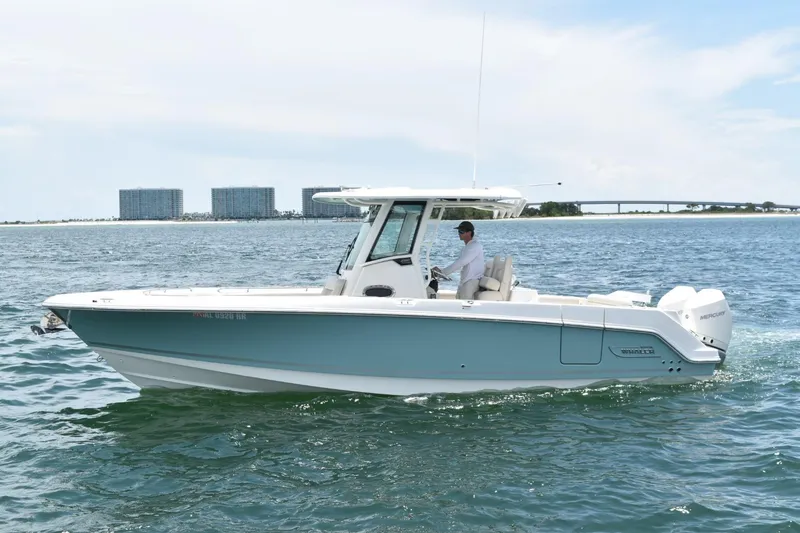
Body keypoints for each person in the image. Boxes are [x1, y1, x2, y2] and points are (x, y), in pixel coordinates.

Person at [434, 221, 485, 299]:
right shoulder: (468, 247)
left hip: (470, 282)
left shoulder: (474, 246)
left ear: (469, 233)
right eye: (458, 231)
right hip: (465, 282)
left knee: (464, 305)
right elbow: (459, 263)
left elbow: (461, 262)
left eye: (461, 231)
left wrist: (442, 272)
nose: (459, 233)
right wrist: (441, 271)